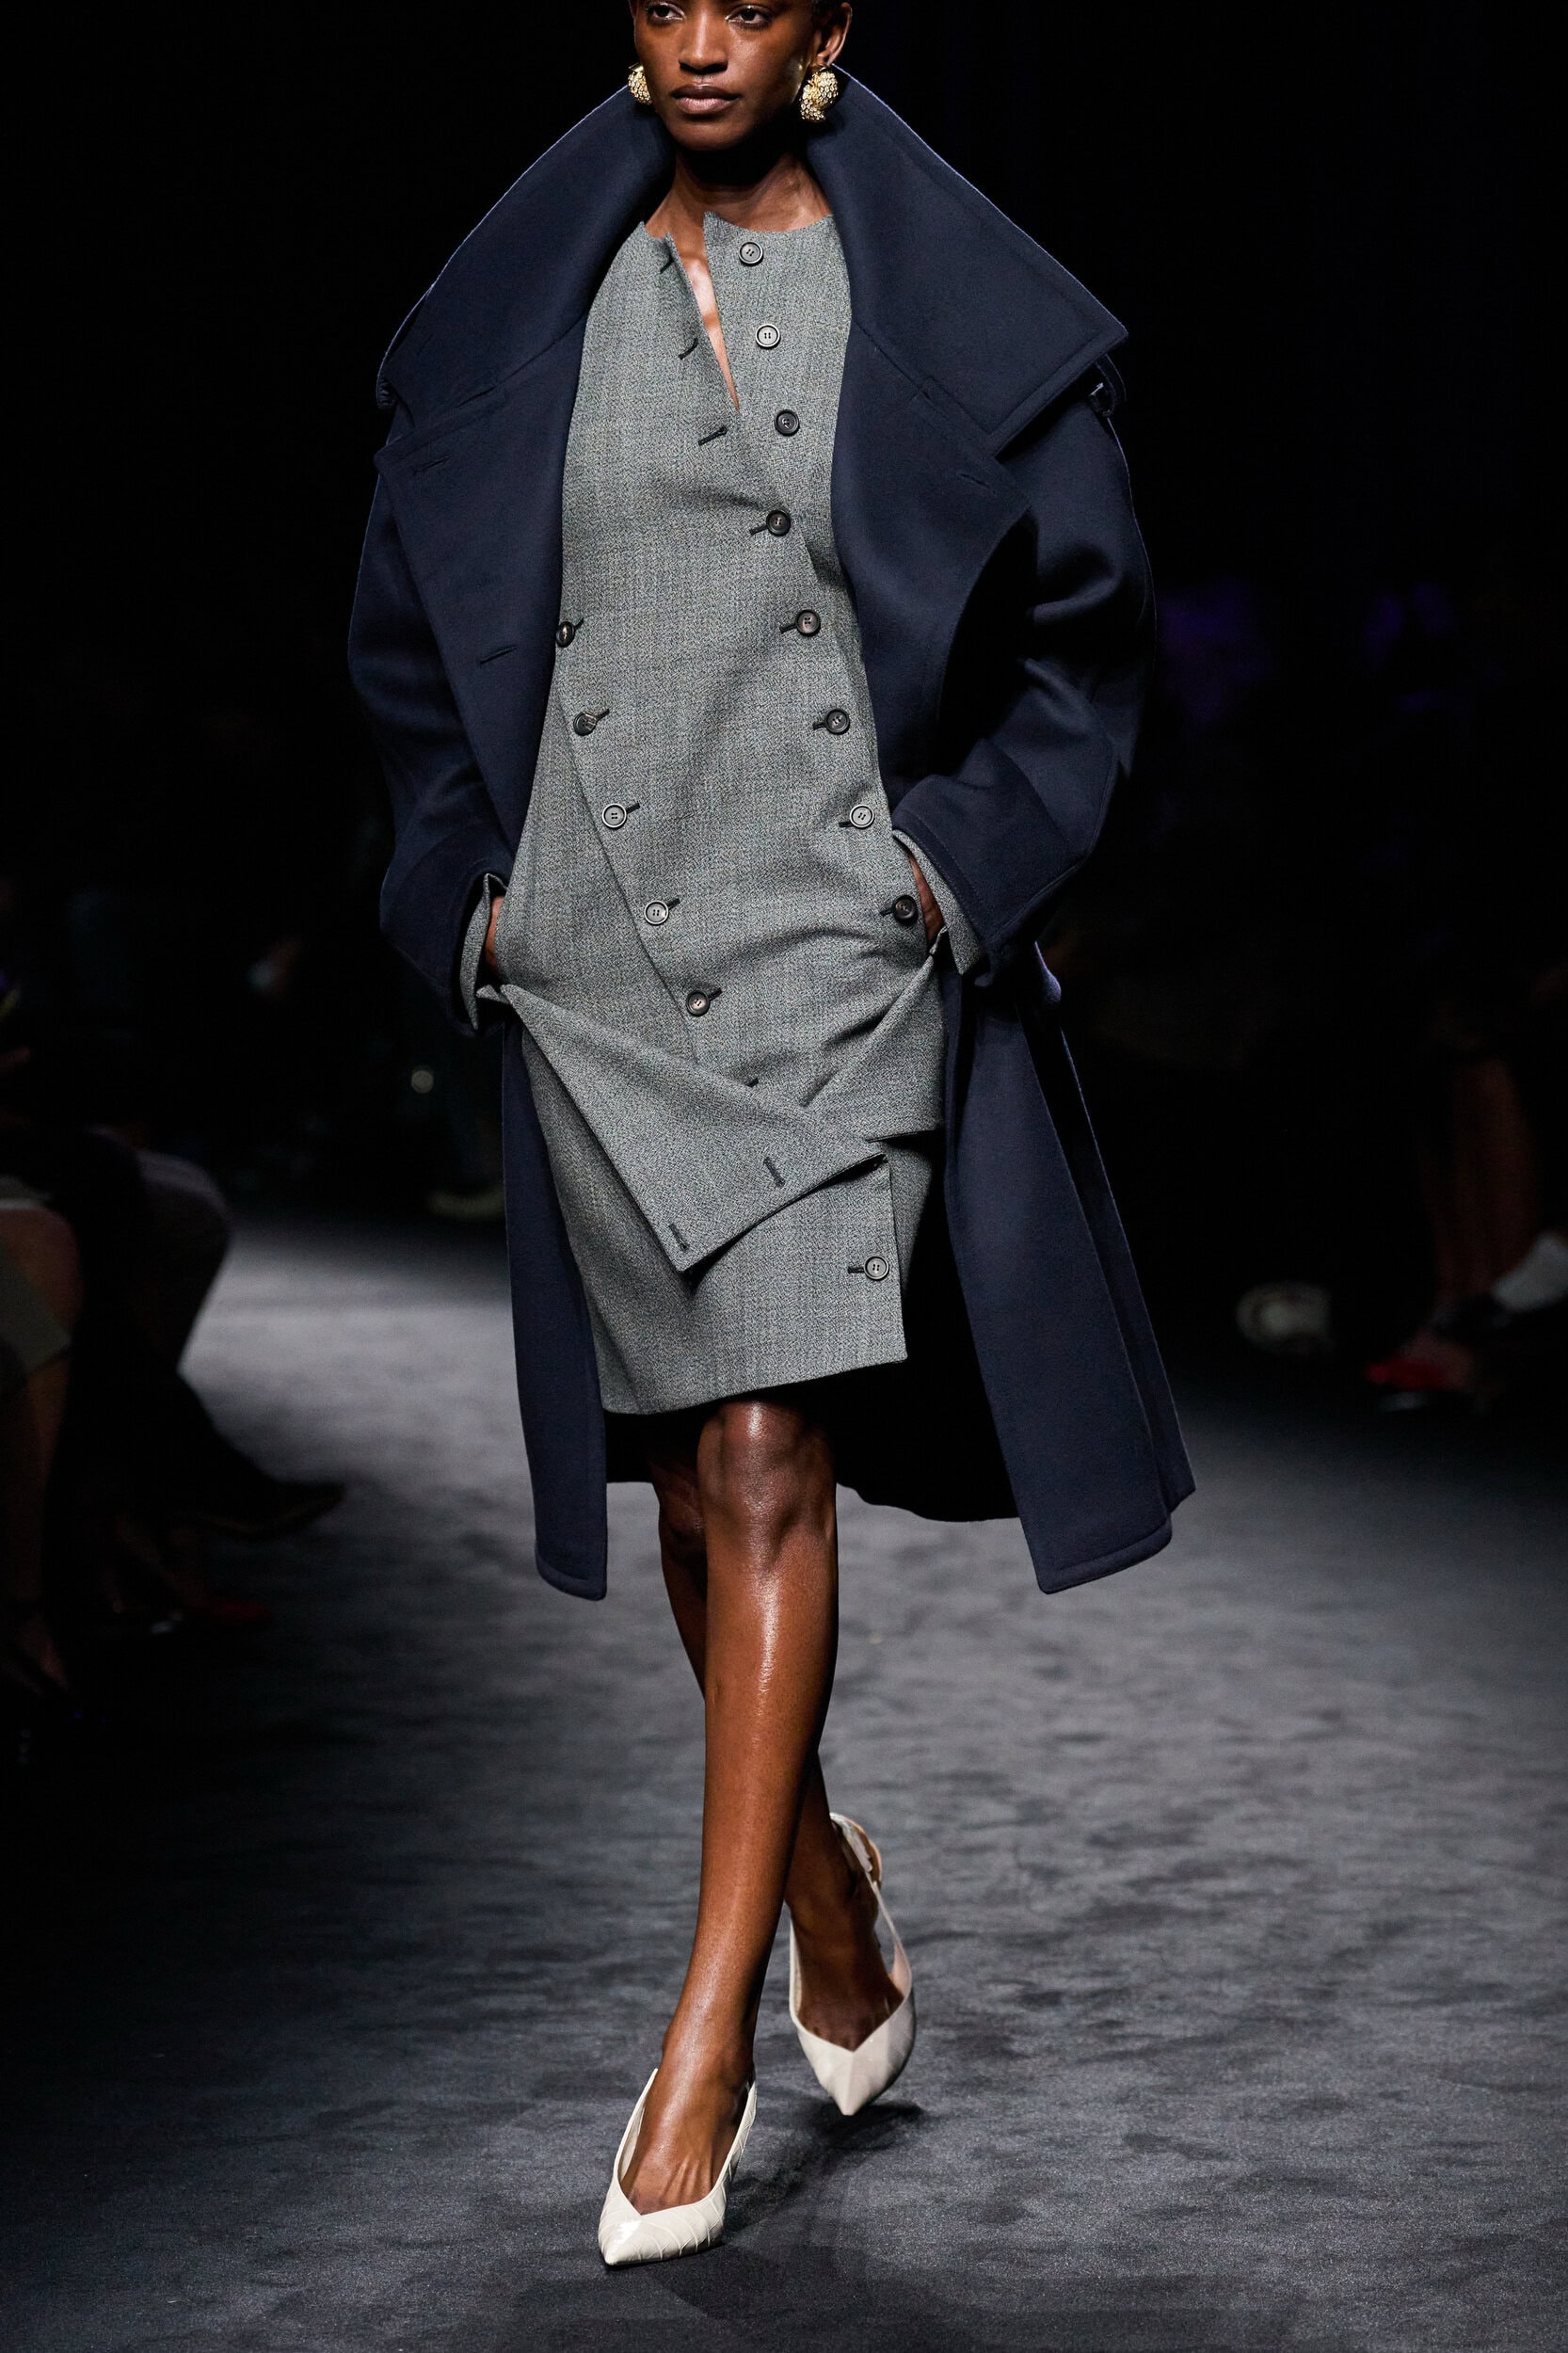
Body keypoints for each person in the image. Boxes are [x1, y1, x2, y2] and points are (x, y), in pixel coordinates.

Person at [349, 0, 1191, 2267]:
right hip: (599, 945)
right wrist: (468, 903)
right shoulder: (524, 307)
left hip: (840, 942)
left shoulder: (949, 302)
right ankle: (820, 1881)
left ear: (828, 23)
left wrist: (950, 867)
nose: (702, 38)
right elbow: (408, 654)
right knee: (685, 1481)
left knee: (756, 1451)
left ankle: (699, 2040)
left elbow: (1082, 649)